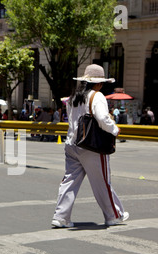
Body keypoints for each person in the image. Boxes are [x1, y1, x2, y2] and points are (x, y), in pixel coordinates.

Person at [52, 64, 129, 228]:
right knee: (102, 182)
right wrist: (115, 130)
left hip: (71, 144)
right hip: (91, 146)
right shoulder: (97, 96)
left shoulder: (73, 97)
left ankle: (61, 216)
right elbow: (103, 118)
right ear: (99, 83)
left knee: (69, 181)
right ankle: (113, 215)